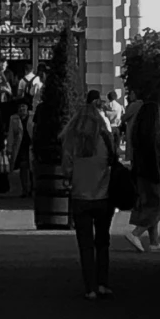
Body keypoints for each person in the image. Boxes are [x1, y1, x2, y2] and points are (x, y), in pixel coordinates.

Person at [69, 90, 117, 298]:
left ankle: (90, 287)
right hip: (103, 196)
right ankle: (103, 282)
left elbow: (66, 170)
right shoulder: (105, 140)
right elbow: (113, 163)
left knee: (85, 245)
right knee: (103, 242)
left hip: (80, 197)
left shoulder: (73, 142)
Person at [127, 94, 160, 252]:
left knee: (151, 204)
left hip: (142, 173)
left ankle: (154, 242)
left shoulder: (140, 133)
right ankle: (136, 233)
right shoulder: (155, 135)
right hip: (155, 173)